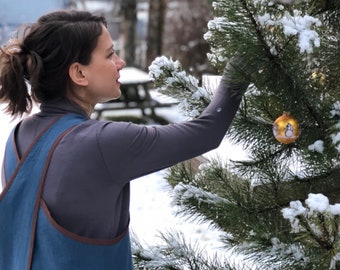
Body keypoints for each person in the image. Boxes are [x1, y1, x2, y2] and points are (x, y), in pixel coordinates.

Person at [0, 9, 249, 270]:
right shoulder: (101, 143)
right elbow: (206, 133)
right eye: (109, 54)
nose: (120, 62)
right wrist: (243, 62)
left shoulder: (19, 137)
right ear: (79, 74)